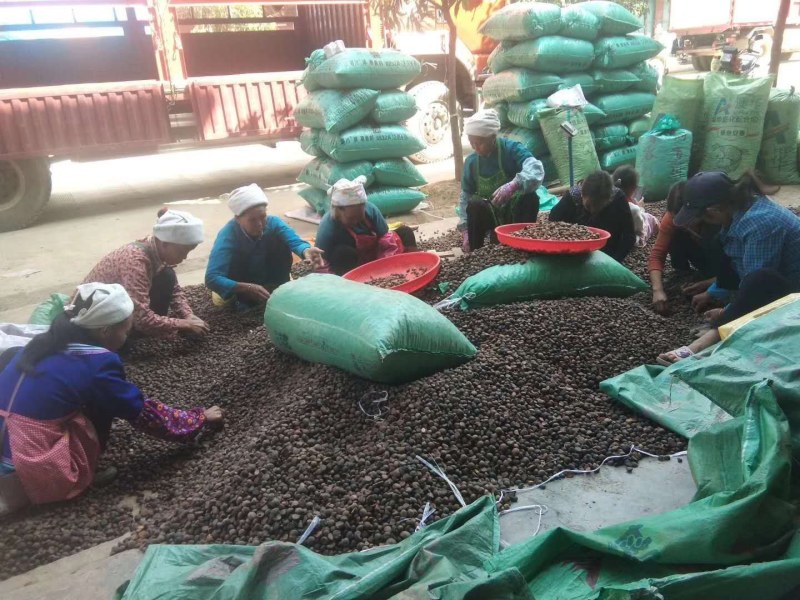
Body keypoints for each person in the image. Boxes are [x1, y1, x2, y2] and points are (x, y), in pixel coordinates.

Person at [0, 283, 223, 513]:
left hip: (6, 439)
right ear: (105, 331)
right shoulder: (98, 364)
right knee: (104, 403)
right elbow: (140, 411)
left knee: (91, 395)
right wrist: (196, 419)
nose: (126, 338)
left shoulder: (42, 343)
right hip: (29, 462)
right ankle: (75, 475)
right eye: (125, 331)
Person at [658, 171, 800, 365]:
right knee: (725, 243)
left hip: (794, 296)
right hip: (776, 280)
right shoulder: (740, 211)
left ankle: (704, 343)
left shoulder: (760, 223)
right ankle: (726, 319)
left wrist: (727, 312)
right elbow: (737, 259)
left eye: (701, 217)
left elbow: (756, 286)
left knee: (759, 278)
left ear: (714, 210)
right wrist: (714, 291)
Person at [83, 209, 209, 339]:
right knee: (122, 342)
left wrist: (187, 315)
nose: (185, 257)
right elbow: (141, 319)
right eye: (183, 251)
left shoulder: (156, 248)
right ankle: (138, 334)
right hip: (95, 321)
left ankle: (151, 328)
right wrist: (182, 324)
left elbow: (174, 290)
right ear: (165, 243)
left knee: (167, 275)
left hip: (119, 302)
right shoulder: (135, 262)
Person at [205, 184, 324, 310]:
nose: (259, 224)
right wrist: (246, 288)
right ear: (238, 219)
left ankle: (276, 285)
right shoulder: (227, 235)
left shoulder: (274, 223)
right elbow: (212, 277)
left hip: (273, 278)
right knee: (225, 304)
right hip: (241, 282)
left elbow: (295, 241)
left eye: (263, 217)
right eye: (252, 220)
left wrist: (305, 250)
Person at [458, 108, 545, 252]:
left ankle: (522, 247)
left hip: (515, 213)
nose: (475, 147)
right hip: (491, 213)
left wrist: (515, 184)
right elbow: (464, 198)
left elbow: (536, 169)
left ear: (492, 137)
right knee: (474, 205)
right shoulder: (472, 162)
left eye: (480, 142)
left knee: (530, 198)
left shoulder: (511, 149)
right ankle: (475, 252)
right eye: (471, 142)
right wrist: (465, 230)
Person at [315, 176, 417, 276]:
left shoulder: (371, 210)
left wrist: (386, 267)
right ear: (338, 210)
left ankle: (415, 266)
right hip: (351, 264)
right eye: (351, 218)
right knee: (343, 253)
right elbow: (321, 261)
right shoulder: (327, 226)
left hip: (375, 255)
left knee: (405, 232)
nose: (356, 221)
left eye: (359, 217)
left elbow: (387, 240)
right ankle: (353, 282)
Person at [649, 181, 723, 315]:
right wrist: (657, 290)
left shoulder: (720, 221)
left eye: (688, 220)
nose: (684, 224)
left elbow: (739, 270)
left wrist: (707, 284)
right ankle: (683, 273)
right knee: (676, 235)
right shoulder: (671, 218)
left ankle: (711, 277)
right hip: (700, 256)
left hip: (722, 265)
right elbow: (657, 255)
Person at [550, 170, 636, 263]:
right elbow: (552, 223)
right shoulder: (572, 197)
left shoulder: (618, 198)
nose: (593, 211)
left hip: (606, 251)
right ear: (582, 194)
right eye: (588, 206)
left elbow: (629, 236)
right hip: (575, 250)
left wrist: (615, 261)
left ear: (609, 199)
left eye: (599, 207)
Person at [613, 166, 659, 247]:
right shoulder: (634, 209)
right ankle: (661, 232)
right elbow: (639, 229)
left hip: (613, 236)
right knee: (650, 218)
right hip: (630, 240)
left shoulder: (608, 201)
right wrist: (640, 208)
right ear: (633, 188)